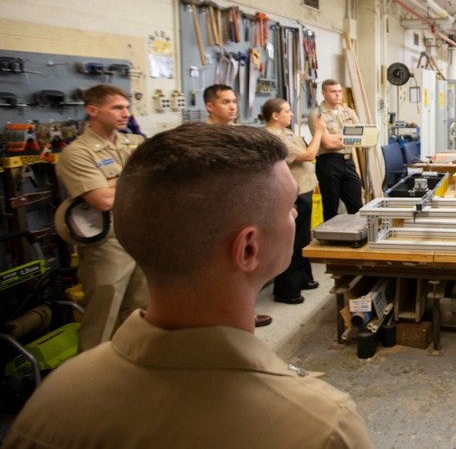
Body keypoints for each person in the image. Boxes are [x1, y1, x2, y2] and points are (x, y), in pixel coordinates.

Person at [3, 124, 373, 449]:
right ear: (248, 248)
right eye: (290, 206)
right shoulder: (320, 426)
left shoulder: (57, 398)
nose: (296, 213)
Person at [55, 84, 147, 351]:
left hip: (139, 236)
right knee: (101, 320)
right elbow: (102, 200)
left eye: (127, 107)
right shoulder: (78, 153)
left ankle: (137, 371)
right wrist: (136, 179)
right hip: (107, 243)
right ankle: (87, 383)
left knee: (142, 314)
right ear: (92, 110)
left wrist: (114, 182)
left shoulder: (134, 142)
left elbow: (159, 180)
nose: (126, 113)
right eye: (117, 107)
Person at [203, 83, 271, 329]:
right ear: (210, 106)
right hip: (216, 211)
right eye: (225, 102)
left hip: (243, 209)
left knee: (244, 265)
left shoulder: (240, 134)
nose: (232, 106)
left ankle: (244, 313)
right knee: (217, 266)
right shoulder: (202, 138)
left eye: (233, 101)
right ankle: (215, 317)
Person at [261, 98, 326, 304]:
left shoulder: (287, 133)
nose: (291, 114)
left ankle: (303, 278)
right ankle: (286, 289)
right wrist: (319, 131)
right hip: (291, 195)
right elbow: (308, 155)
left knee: (303, 240)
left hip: (303, 189)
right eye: (287, 111)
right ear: (275, 115)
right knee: (291, 242)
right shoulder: (272, 137)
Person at [308, 79, 363, 221]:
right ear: (324, 93)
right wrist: (348, 137)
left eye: (339, 91)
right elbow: (327, 144)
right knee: (331, 206)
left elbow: (361, 136)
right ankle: (329, 240)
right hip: (329, 163)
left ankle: (356, 235)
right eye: (333, 91)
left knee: (357, 205)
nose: (338, 95)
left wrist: (338, 138)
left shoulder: (348, 112)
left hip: (348, 162)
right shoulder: (317, 115)